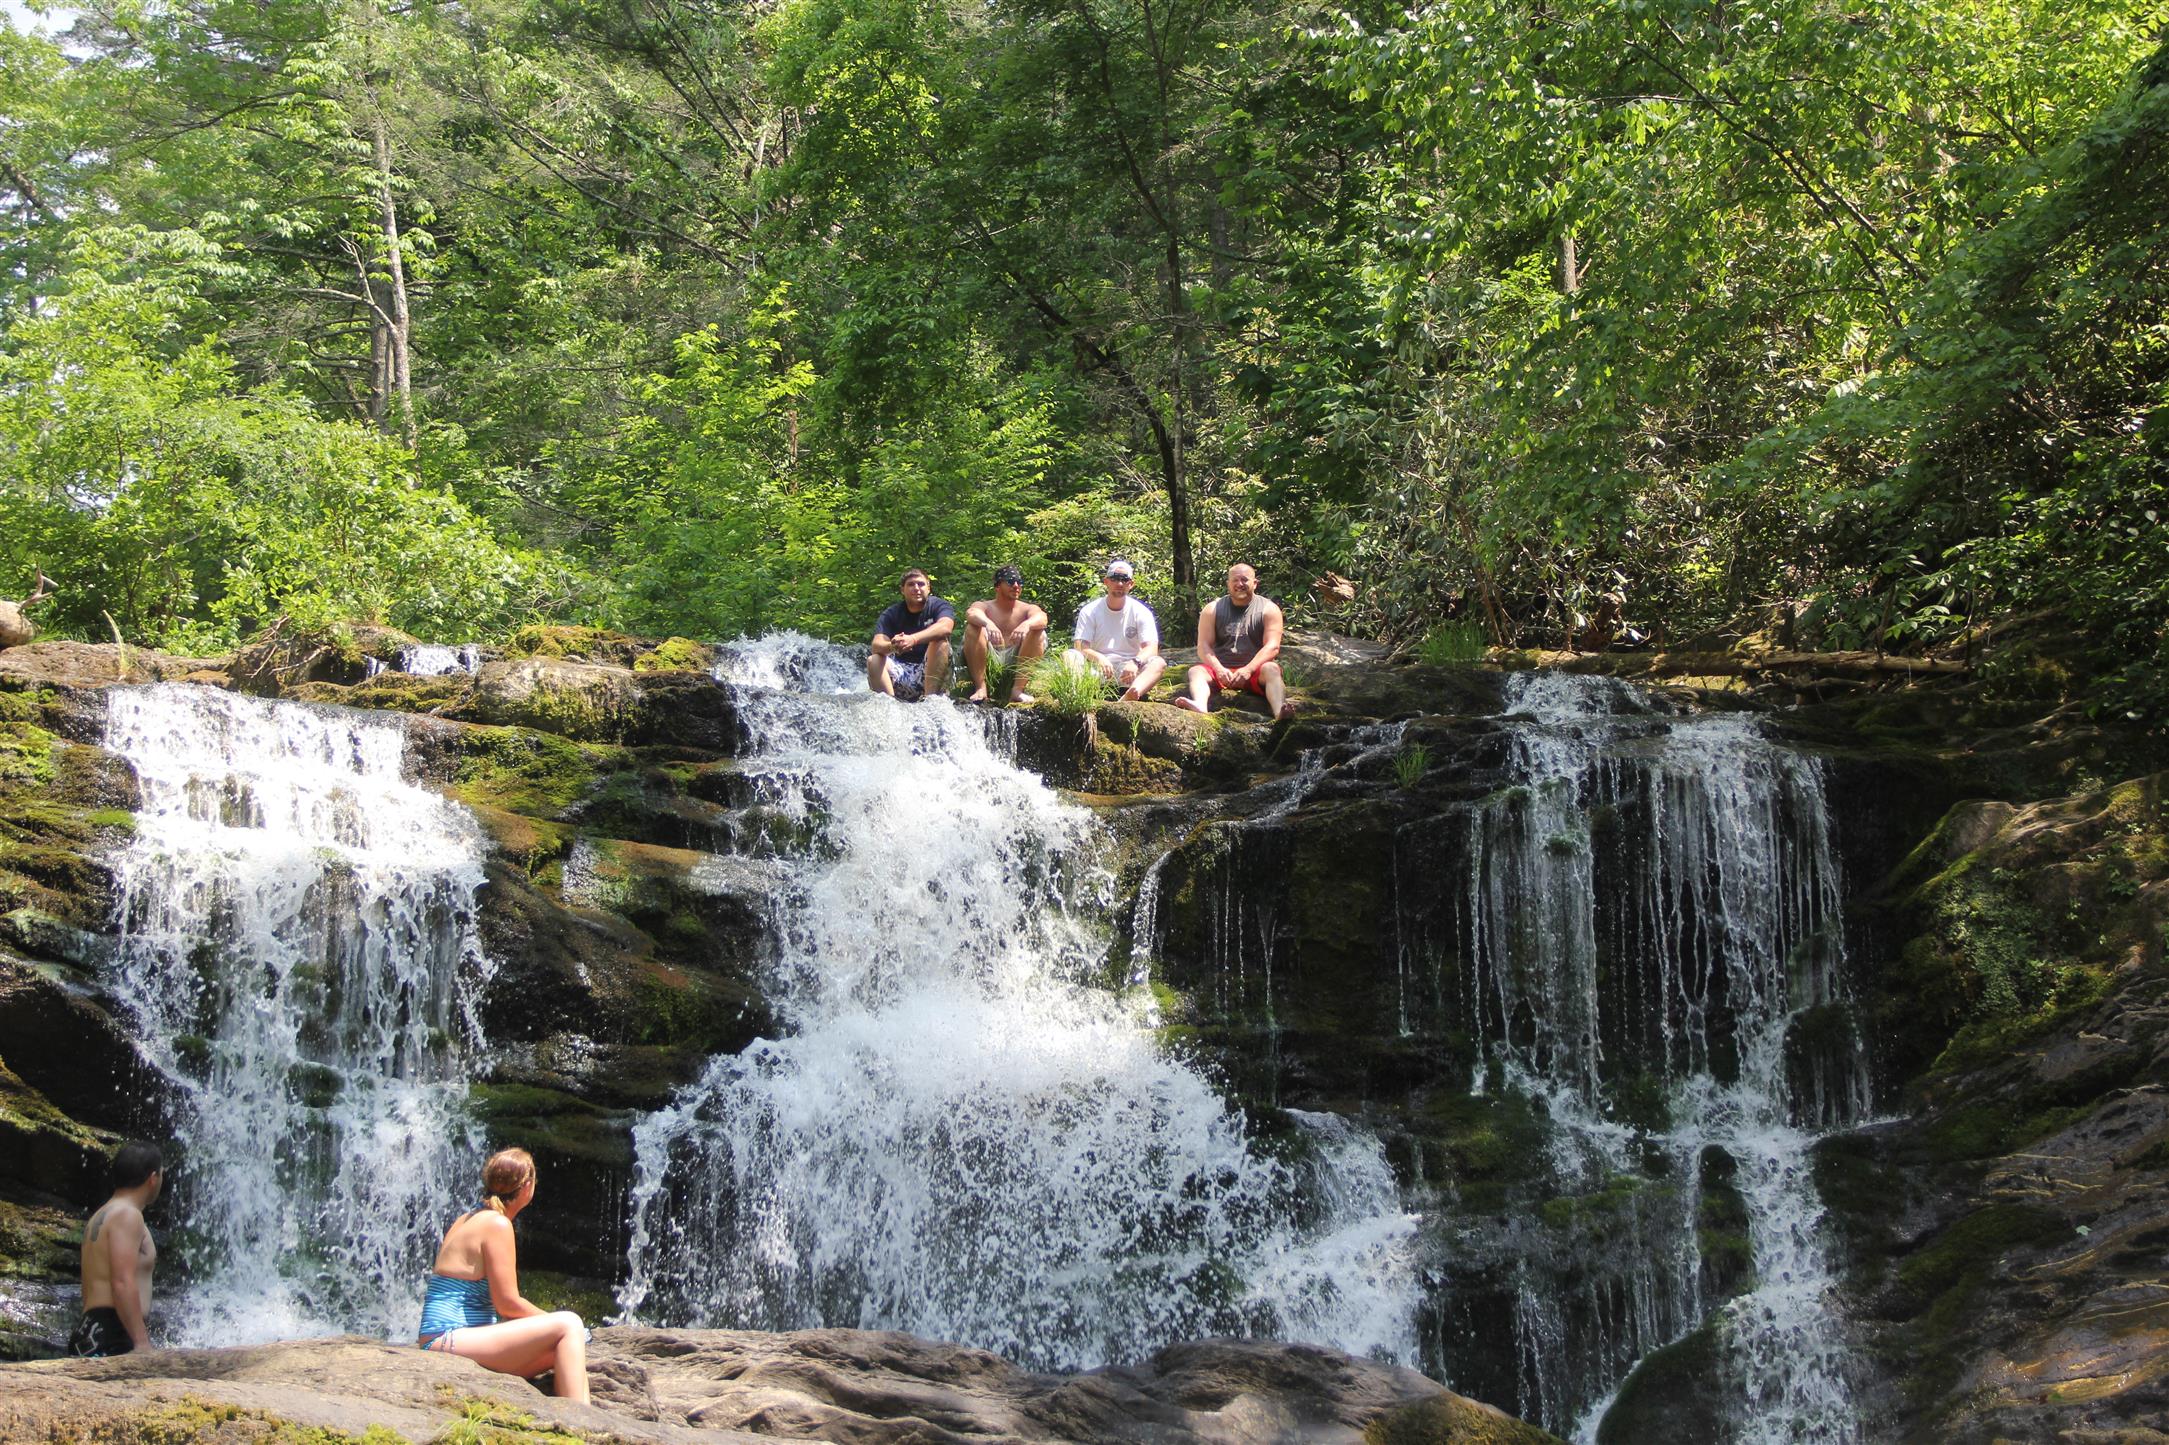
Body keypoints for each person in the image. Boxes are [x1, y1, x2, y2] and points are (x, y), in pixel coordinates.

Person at [416, 1147, 590, 1405]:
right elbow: (507, 1304)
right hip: (446, 1337)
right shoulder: (496, 1224)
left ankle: (584, 1417)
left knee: (564, 1347)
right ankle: (579, 1419)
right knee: (569, 1324)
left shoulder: (469, 1217)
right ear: (527, 1186)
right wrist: (558, 1321)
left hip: (451, 1337)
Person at [73, 1141, 163, 1357]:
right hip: (112, 1332)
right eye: (162, 1174)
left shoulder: (100, 1216)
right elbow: (122, 1281)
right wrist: (141, 1343)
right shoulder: (128, 1215)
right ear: (153, 1179)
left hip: (92, 1330)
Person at [1174, 564, 1296, 720]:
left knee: (1272, 669)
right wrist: (1218, 669)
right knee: (1196, 671)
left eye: (1245, 580)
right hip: (1222, 672)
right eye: (1235, 580)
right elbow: (1203, 646)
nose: (1240, 584)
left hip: (1255, 672)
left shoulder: (1269, 609)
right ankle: (1200, 705)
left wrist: (1248, 669)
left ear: (1255, 583)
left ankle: (1280, 711)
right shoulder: (1212, 609)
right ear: (1228, 584)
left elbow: (1272, 647)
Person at [1064, 558, 1165, 702]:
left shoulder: (1141, 612)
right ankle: (1078, 697)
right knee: (1069, 655)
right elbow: (1080, 646)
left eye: (1124, 580)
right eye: (1115, 579)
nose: (1119, 584)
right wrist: (1100, 658)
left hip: (1129, 671)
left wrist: (1135, 662)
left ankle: (1131, 695)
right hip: (1097, 669)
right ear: (1106, 582)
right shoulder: (1090, 610)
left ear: (1131, 584)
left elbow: (1151, 648)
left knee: (1158, 663)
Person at [868, 568, 957, 702]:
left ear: (928, 588)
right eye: (911, 584)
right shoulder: (892, 613)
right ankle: (890, 706)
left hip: (931, 670)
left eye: (921, 584)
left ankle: (931, 702)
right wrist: (893, 646)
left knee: (940, 642)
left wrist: (913, 639)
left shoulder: (938, 605)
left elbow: (945, 627)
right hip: (902, 671)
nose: (916, 588)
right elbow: (876, 645)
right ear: (902, 590)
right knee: (873, 660)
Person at [963, 565, 1049, 703]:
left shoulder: (1027, 608)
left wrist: (1026, 624)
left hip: (1018, 658)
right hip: (989, 655)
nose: (1016, 586)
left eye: (1019, 582)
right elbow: (972, 613)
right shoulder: (985, 606)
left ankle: (1017, 690)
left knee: (1038, 631)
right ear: (997, 586)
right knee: (972, 628)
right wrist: (988, 623)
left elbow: (1042, 618)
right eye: (1010, 581)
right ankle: (981, 688)